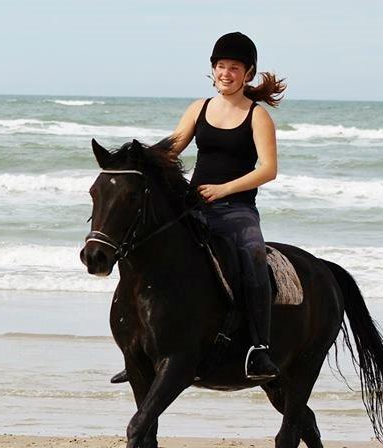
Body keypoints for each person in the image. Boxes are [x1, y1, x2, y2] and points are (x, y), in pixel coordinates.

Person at [113, 32, 286, 383]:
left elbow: (268, 169)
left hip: (236, 210)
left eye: (234, 67)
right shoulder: (199, 109)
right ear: (212, 70)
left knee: (253, 255)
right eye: (220, 66)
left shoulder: (257, 117)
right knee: (149, 245)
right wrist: (135, 161)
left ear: (248, 73)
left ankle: (259, 349)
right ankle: (139, 347)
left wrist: (224, 189)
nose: (226, 73)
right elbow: (169, 152)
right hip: (193, 206)